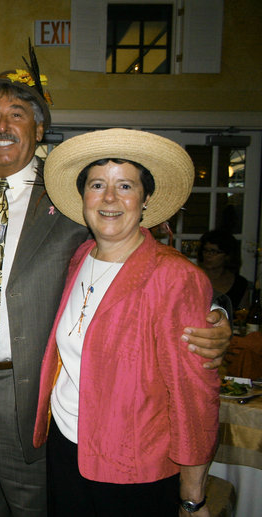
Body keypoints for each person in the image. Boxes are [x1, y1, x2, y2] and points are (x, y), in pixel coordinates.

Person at [0, 68, 232, 516]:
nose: (2, 126)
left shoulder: (72, 204)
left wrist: (213, 313)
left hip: (26, 395)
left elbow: (143, 261)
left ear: (38, 130)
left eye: (17, 114)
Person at [33, 128, 219, 516]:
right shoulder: (81, 255)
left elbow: (194, 398)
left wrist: (192, 495)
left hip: (133, 469)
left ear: (146, 198)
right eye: (98, 184)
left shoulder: (173, 277)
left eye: (125, 186)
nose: (110, 199)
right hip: (66, 447)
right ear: (83, 196)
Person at [198, 229, 250, 314]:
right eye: (206, 250)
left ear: (228, 256)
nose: (208, 255)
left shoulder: (240, 284)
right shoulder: (192, 277)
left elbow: (243, 314)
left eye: (214, 252)